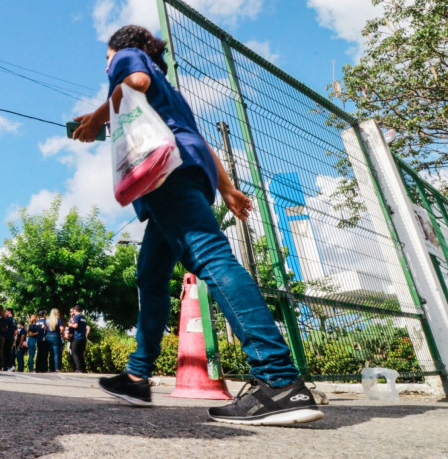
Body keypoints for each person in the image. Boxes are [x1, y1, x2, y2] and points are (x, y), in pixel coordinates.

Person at [73, 25, 322, 425]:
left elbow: (132, 82)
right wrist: (226, 189)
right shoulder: (172, 95)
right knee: (150, 276)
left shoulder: (129, 59)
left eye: (106, 57)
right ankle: (137, 375)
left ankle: (279, 381)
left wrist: (96, 120)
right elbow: (201, 142)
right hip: (190, 173)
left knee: (212, 259)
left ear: (121, 49)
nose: (108, 64)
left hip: (165, 175)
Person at [67, 305, 88, 373]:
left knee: (74, 353)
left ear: (75, 310)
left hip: (77, 337)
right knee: (80, 354)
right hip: (83, 338)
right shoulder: (83, 317)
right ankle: (83, 369)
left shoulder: (76, 316)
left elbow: (76, 326)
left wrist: (70, 325)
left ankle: (78, 369)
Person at [45, 308, 64, 373]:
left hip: (48, 336)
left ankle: (51, 368)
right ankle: (56, 368)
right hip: (55, 336)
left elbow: (44, 328)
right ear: (56, 313)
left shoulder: (47, 320)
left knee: (51, 353)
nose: (59, 313)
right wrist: (63, 333)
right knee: (56, 353)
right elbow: (62, 328)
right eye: (58, 312)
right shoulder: (58, 319)